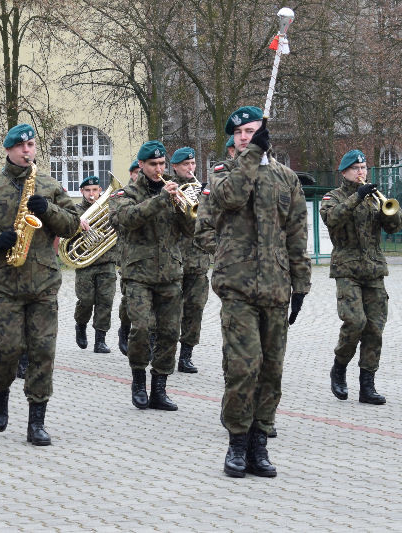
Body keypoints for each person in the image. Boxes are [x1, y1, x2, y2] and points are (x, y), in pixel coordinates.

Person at [203, 106, 311, 478]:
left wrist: (301, 285)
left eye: (253, 132)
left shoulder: (286, 178)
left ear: (265, 134)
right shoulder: (222, 172)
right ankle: (236, 442)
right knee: (243, 367)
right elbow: (231, 198)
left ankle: (259, 443)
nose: (246, 137)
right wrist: (251, 156)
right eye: (240, 133)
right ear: (233, 140)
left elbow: (297, 234)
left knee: (271, 370)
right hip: (237, 285)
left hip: (276, 286)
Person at [0, 123, 80, 445]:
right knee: (8, 348)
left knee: (43, 351)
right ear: (9, 150)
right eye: (21, 146)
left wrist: (50, 210)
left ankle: (36, 420)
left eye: (31, 145)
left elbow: (72, 225)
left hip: (43, 282)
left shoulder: (48, 184)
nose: (28, 150)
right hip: (3, 282)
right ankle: (0, 392)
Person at [109, 141, 195, 412]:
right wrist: (160, 200)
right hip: (138, 274)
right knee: (142, 328)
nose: (159, 169)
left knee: (170, 332)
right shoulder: (127, 193)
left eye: (162, 164)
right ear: (142, 166)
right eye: (153, 165)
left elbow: (191, 229)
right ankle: (138, 382)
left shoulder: (176, 190)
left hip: (170, 272)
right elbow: (126, 219)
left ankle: (160, 388)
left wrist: (189, 208)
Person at [320, 149, 402, 405]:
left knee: (375, 328)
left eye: (364, 168)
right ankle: (339, 367)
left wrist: (391, 211)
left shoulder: (373, 198)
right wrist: (357, 197)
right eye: (356, 169)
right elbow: (332, 219)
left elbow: (393, 227)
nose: (362, 172)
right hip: (347, 270)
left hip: (374, 270)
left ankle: (367, 385)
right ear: (344, 172)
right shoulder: (332, 197)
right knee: (355, 322)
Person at [170, 147, 210, 373]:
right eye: (186, 165)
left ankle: (186, 355)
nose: (190, 168)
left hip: (198, 260)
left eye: (193, 164)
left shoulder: (202, 190)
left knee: (195, 308)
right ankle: (162, 351)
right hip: (174, 259)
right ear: (174, 166)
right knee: (170, 309)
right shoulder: (168, 188)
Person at [72, 175, 116, 353]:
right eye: (88, 191)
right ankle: (81, 325)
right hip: (85, 262)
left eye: (95, 190)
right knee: (86, 300)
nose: (92, 194)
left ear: (101, 191)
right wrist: (77, 224)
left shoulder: (109, 208)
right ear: (82, 192)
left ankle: (100, 340)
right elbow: (67, 230)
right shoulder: (75, 210)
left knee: (105, 301)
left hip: (107, 261)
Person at [115, 160, 139, 356]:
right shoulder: (122, 195)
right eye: (137, 172)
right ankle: (124, 327)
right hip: (128, 256)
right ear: (132, 174)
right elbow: (115, 219)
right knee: (129, 299)